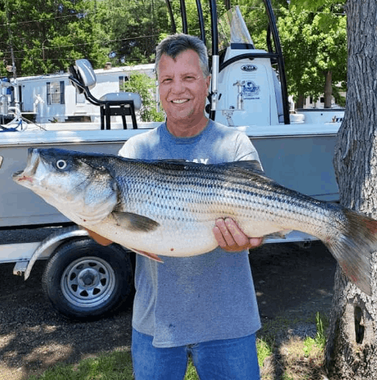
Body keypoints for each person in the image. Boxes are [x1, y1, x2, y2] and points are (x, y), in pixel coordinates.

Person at [91, 33, 263, 380]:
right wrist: (83, 206)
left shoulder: (234, 145)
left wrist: (249, 240)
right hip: (156, 326)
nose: (177, 89)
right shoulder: (137, 151)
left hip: (228, 323)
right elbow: (104, 238)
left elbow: (259, 230)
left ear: (206, 82)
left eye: (188, 77)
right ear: (158, 86)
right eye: (167, 79)